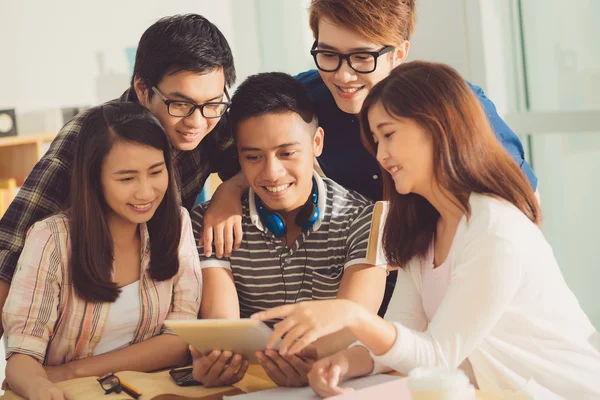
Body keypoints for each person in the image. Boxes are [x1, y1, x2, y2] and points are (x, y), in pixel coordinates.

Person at [252, 61, 600, 399]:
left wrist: (352, 316)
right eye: (375, 139)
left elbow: (436, 355)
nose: (381, 155)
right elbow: (404, 334)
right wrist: (343, 361)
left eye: (388, 135)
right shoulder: (424, 227)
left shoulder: (496, 229)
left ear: (438, 128)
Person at [210, 0, 540, 318]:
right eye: (328, 54)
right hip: (355, 294)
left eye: (362, 57)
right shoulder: (303, 100)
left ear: (398, 53)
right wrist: (229, 192)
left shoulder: (452, 107)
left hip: (444, 284)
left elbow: (523, 206)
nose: (343, 75)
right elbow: (264, 156)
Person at [0, 13, 243, 339]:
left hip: (156, 305)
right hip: (79, 309)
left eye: (212, 103)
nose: (196, 121)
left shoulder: (214, 117)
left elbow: (260, 168)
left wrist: (230, 190)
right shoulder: (92, 135)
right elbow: (10, 245)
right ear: (143, 89)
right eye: (181, 104)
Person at [189, 72, 387, 388]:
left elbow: (354, 322)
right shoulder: (209, 221)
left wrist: (309, 358)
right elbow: (222, 325)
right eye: (253, 157)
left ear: (317, 142)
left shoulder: (366, 218)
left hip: (337, 380)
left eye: (287, 153)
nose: (272, 172)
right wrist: (216, 360)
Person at [3, 103, 203, 400]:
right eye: (127, 178)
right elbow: (22, 357)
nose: (146, 192)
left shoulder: (179, 224)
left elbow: (180, 340)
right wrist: (41, 387)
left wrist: (72, 371)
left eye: (156, 172)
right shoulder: (52, 239)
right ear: (94, 179)